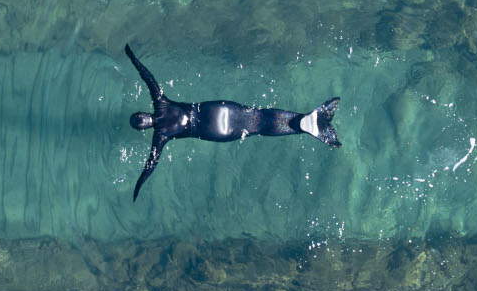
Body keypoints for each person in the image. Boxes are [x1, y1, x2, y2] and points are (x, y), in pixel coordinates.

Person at [124, 44, 341, 200]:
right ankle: (306, 121)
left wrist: (139, 185)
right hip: (216, 111)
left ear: (145, 127)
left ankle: (305, 126)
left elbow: (150, 165)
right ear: (144, 113)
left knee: (255, 126)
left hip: (217, 130)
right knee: (256, 114)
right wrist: (132, 58)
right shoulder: (160, 102)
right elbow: (148, 78)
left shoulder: (160, 136)